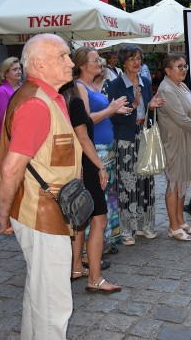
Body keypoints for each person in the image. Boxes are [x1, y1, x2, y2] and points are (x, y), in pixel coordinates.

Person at [0, 34, 81, 339]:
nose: (71, 62)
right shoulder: (36, 104)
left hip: (45, 211)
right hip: (42, 214)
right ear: (40, 64)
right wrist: (3, 214)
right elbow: (11, 169)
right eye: (63, 56)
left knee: (39, 295)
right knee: (52, 303)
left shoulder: (46, 96)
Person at [59, 80, 121, 293]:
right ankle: (94, 277)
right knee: (99, 220)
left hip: (74, 165)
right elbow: (83, 138)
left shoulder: (59, 101)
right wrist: (100, 166)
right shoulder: (74, 102)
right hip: (87, 164)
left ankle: (76, 267)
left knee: (79, 220)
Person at [106, 44, 165, 246]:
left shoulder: (146, 81)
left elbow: (146, 108)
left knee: (145, 180)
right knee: (128, 182)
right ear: (124, 62)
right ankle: (127, 229)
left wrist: (150, 105)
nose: (137, 62)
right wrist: (133, 106)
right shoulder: (115, 85)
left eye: (139, 58)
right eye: (132, 59)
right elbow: (113, 116)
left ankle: (145, 225)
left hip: (144, 135)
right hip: (125, 138)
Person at [74, 47, 130, 257]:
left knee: (107, 196)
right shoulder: (79, 86)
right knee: (97, 197)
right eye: (95, 59)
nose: (100, 62)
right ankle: (91, 250)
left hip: (107, 146)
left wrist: (116, 110)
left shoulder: (92, 85)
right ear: (82, 66)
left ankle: (104, 242)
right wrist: (111, 109)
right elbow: (86, 120)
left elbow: (102, 115)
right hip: (95, 149)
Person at [156, 54, 191, 241]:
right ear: (168, 71)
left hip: (188, 140)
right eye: (179, 67)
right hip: (175, 141)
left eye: (185, 66)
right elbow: (181, 118)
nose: (184, 69)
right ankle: (173, 226)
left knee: (184, 181)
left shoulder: (181, 85)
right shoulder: (166, 89)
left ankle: (181, 220)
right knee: (174, 182)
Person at [0, 57, 22, 139]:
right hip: (7, 136)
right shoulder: (1, 92)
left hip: (22, 131)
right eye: (15, 69)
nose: (19, 71)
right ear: (6, 74)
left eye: (20, 69)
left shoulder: (22, 87)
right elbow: (6, 118)